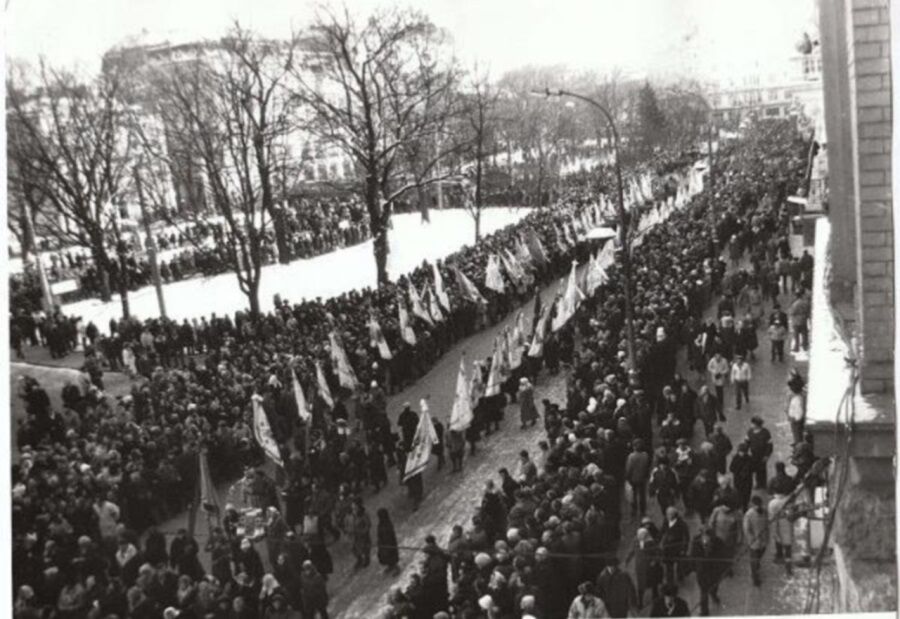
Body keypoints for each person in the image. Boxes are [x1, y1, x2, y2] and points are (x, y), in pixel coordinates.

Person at [688, 526, 725, 616]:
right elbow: (692, 555)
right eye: (703, 535)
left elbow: (724, 556)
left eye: (708, 536)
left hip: (714, 570)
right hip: (702, 571)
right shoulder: (696, 541)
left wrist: (722, 569)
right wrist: (693, 568)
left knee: (714, 585)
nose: (705, 538)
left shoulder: (719, 542)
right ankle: (704, 611)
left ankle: (713, 594)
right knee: (703, 591)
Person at [743, 495, 769, 587]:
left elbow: (767, 524)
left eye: (759, 504)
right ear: (752, 505)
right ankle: (755, 578)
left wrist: (767, 537)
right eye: (756, 505)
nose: (758, 506)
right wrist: (752, 539)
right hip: (754, 542)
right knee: (754, 560)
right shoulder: (749, 514)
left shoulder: (765, 511)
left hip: (763, 540)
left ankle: (757, 564)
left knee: (760, 555)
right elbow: (746, 529)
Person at [769, 492, 795, 576]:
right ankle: (788, 569)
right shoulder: (789, 513)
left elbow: (774, 524)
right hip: (787, 537)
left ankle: (780, 558)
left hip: (780, 535)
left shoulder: (775, 510)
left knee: (781, 548)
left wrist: (775, 534)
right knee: (788, 552)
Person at [625, 439, 650, 518]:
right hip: (642, 478)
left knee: (633, 495)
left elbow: (629, 468)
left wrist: (627, 477)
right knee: (642, 495)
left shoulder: (631, 456)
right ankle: (642, 511)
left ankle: (634, 511)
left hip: (633, 478)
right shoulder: (645, 455)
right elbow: (647, 466)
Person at [746, 416, 773, 489]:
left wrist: (767, 455)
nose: (751, 425)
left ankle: (763, 483)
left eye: (752, 424)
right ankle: (758, 483)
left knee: (762, 469)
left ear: (757, 425)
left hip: (762, 455)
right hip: (753, 455)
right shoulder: (750, 432)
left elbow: (769, 445)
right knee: (756, 469)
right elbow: (747, 442)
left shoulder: (765, 433)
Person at [786, 370, 807, 444]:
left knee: (797, 435)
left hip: (796, 421)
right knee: (796, 435)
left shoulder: (797, 399)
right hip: (794, 419)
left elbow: (799, 412)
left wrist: (794, 418)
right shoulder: (797, 397)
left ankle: (798, 446)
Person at [376, 508, 399, 575]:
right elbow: (379, 534)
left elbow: (390, 535)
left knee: (391, 555)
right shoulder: (380, 524)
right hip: (383, 543)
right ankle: (390, 566)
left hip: (389, 543)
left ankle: (395, 567)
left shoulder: (388, 524)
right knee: (384, 556)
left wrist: (388, 543)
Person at [706, 351, 729, 418]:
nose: (717, 357)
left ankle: (721, 402)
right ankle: (719, 400)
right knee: (717, 389)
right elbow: (709, 367)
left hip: (721, 378)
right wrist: (713, 371)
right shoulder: (712, 361)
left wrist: (722, 372)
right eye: (716, 356)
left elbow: (727, 369)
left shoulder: (724, 360)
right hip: (715, 378)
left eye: (719, 356)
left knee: (720, 390)